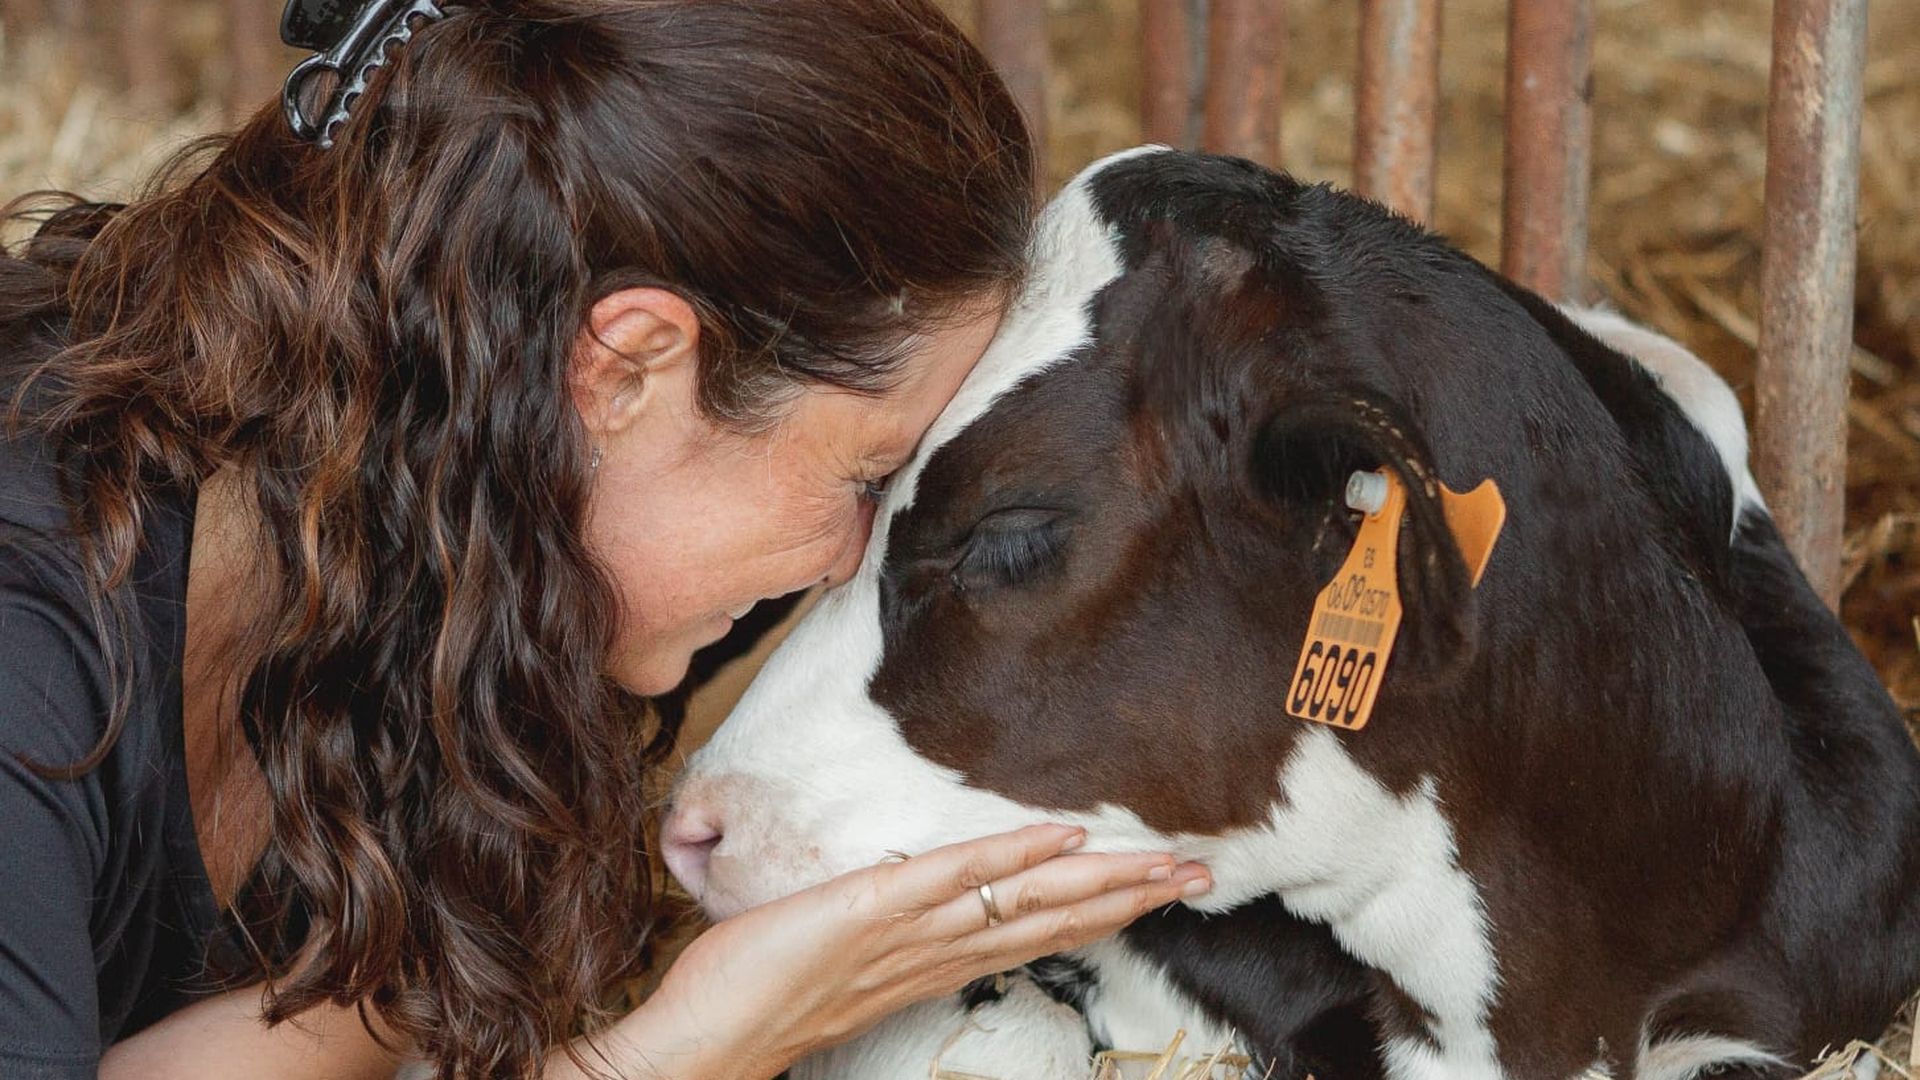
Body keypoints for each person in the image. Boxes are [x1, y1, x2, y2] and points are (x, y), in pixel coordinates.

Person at [0, 1, 1212, 1077]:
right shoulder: (25, 644)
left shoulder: (424, 542)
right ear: (626, 368)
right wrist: (684, 1050)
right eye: (865, 474)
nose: (850, 559)